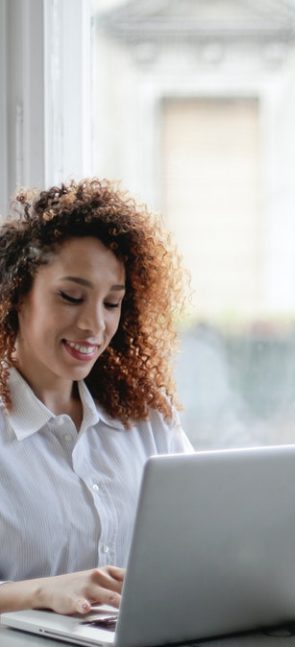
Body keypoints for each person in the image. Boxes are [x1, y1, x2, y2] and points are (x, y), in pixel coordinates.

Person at [0, 178, 191, 616]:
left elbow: (200, 538)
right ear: (17, 295)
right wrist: (42, 591)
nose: (94, 325)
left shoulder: (146, 416)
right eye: (71, 297)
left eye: (112, 303)